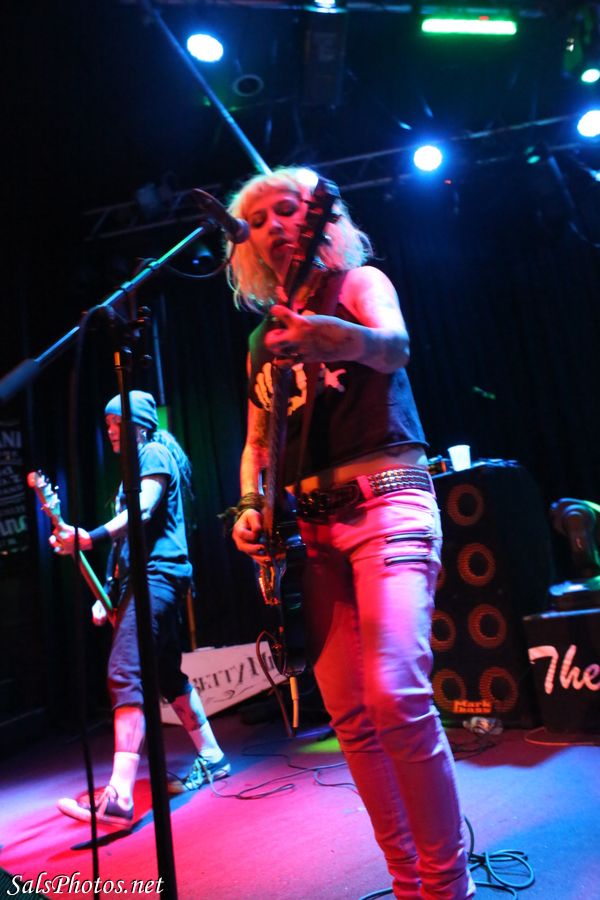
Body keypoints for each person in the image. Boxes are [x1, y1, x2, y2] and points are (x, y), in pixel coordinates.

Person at [227, 167, 475, 898]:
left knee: (396, 695)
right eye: (258, 219)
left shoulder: (359, 282)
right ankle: (408, 883)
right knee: (351, 718)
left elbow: (394, 346)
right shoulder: (261, 340)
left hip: (388, 504)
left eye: (287, 209)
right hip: (314, 534)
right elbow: (257, 443)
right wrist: (249, 505)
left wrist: (338, 338)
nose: (275, 225)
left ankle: (448, 885)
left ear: (320, 219)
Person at [51, 390, 229, 829]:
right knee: (164, 673)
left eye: (117, 422)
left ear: (140, 425)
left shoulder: (152, 454)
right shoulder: (131, 471)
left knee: (125, 670)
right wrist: (108, 594)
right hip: (144, 580)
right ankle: (213, 755)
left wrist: (89, 537)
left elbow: (143, 511)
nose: (110, 431)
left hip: (158, 578)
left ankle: (120, 797)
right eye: (108, 424)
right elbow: (128, 542)